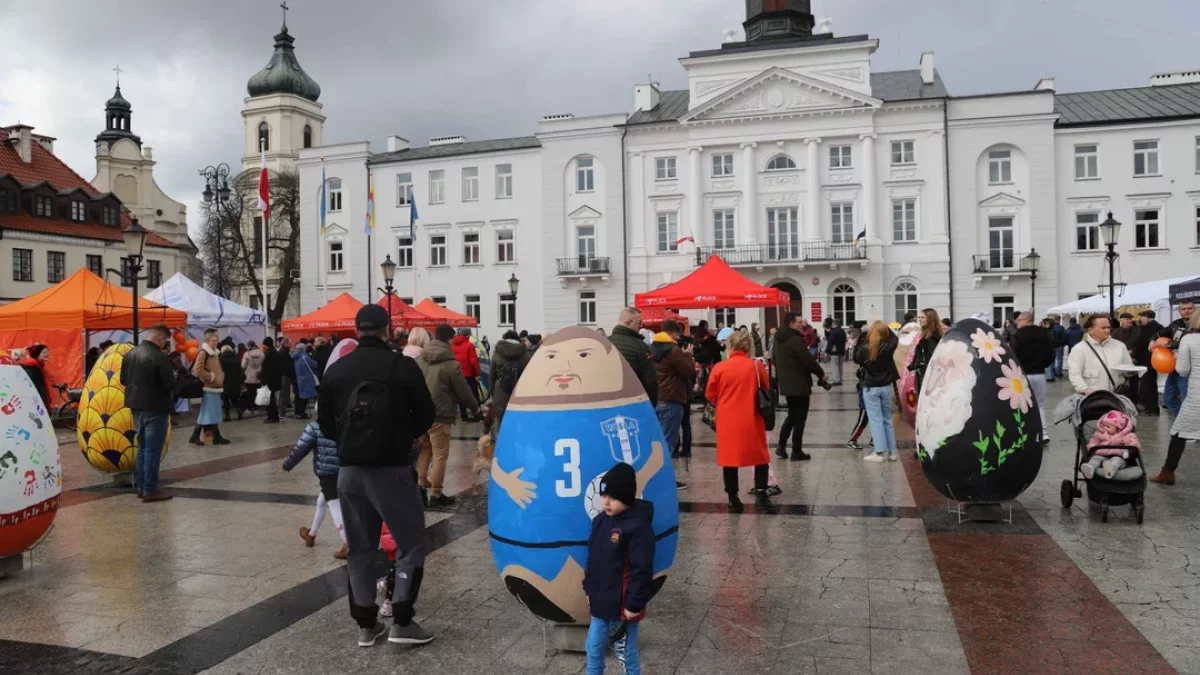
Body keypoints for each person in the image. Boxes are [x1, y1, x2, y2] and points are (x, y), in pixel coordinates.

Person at [318, 304, 436, 647]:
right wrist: (403, 437)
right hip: (392, 469)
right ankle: (402, 621)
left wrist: (350, 442)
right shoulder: (402, 366)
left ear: (357, 331)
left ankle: (366, 626)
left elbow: (325, 423)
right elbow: (425, 414)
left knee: (360, 547)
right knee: (410, 543)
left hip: (349, 472)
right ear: (387, 331)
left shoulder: (337, 370)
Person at [583, 462, 654, 675]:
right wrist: (589, 588)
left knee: (625, 653)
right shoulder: (600, 521)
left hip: (623, 608)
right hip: (600, 603)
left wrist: (634, 604)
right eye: (603, 496)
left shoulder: (638, 527)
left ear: (626, 497)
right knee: (593, 648)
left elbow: (642, 570)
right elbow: (593, 559)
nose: (605, 502)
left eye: (612, 497)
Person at [705, 330, 776, 513]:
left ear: (730, 346)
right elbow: (766, 386)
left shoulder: (719, 368)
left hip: (727, 420)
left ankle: (733, 499)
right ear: (748, 346)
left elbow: (710, 394)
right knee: (760, 457)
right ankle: (761, 496)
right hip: (752, 418)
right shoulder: (756, 366)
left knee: (729, 459)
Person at [417, 324, 481, 507]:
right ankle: (436, 494)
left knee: (425, 449)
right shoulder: (451, 364)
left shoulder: (420, 359)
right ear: (450, 339)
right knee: (440, 455)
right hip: (441, 414)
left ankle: (420, 486)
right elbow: (463, 391)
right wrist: (475, 409)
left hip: (421, 413)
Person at [120, 325, 177, 502]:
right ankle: (150, 490)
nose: (165, 344)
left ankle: (141, 487)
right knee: (152, 450)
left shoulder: (130, 354)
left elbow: (123, 379)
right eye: (165, 340)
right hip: (156, 406)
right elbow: (169, 384)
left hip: (135, 406)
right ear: (161, 338)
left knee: (143, 448)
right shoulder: (161, 357)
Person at [284, 417, 347, 559]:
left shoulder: (315, 426)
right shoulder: (344, 420)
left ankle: (347, 542)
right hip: (345, 469)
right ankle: (311, 535)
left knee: (334, 504)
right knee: (322, 501)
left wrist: (288, 464)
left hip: (327, 472)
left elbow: (301, 448)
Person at [1150, 309, 1200, 485]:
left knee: (1178, 432)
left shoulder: (1190, 339)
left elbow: (1182, 370)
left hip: (1196, 396)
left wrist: (1177, 357)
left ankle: (1167, 473)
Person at [772, 312, 827, 461]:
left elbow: (774, 358)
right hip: (799, 384)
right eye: (798, 322)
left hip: (787, 383)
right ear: (791, 324)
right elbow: (808, 360)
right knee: (800, 418)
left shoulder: (778, 339)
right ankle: (796, 451)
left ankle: (781, 446)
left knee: (792, 415)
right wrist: (821, 374)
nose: (801, 324)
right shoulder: (795, 340)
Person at [650, 319, 693, 490]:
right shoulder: (673, 350)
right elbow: (688, 371)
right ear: (674, 333)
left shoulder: (653, 348)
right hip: (672, 399)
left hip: (657, 398)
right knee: (668, 442)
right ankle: (664, 481)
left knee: (659, 441)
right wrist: (688, 355)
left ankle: (657, 477)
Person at [855, 321, 900, 462]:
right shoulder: (889, 347)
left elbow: (856, 356)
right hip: (885, 386)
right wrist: (885, 330)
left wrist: (864, 338)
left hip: (871, 387)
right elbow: (894, 338)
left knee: (876, 420)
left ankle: (879, 452)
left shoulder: (867, 347)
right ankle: (892, 452)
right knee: (887, 419)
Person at [1010, 312, 1055, 438]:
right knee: (1039, 404)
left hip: (1022, 374)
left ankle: (1024, 431)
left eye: (1019, 320)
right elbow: (1051, 354)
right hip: (1039, 373)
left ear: (1026, 320)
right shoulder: (1044, 334)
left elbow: (1012, 355)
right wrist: (1043, 364)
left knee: (1022, 403)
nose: (1017, 322)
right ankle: (1043, 432)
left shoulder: (1017, 336)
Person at [1067, 315, 1133, 395]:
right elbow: (1074, 375)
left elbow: (1128, 368)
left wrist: (1131, 371)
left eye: (1108, 327)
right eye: (1103, 328)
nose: (1107, 330)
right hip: (1093, 398)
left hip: (1117, 397)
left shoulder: (1120, 346)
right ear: (1091, 330)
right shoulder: (1079, 349)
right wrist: (1085, 389)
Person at [610, 308, 658, 406]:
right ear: (628, 323)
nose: (641, 326)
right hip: (633, 402)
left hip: (609, 401)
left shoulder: (606, 343)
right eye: (639, 323)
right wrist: (651, 404)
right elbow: (650, 380)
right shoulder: (640, 346)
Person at [1157, 300, 1195, 418]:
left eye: (1189, 308)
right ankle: (1182, 421)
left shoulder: (1197, 325)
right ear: (1179, 311)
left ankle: (1189, 424)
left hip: (1191, 369)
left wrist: (1170, 344)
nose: (1186, 311)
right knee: (1169, 398)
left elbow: (1191, 342)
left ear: (1194, 309)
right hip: (1175, 367)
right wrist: (1153, 340)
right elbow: (1160, 333)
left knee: (1187, 399)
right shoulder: (1175, 324)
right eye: (1183, 309)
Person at [192, 329, 231, 446]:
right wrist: (211, 377)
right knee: (208, 412)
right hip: (209, 387)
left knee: (211, 412)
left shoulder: (214, 353)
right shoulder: (204, 352)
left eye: (217, 340)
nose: (216, 342)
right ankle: (208, 436)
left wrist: (220, 376)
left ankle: (204, 436)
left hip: (215, 387)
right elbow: (198, 370)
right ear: (207, 340)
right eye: (214, 340)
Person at [490, 329, 531, 431]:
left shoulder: (497, 352)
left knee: (500, 422)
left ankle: (501, 439)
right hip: (520, 391)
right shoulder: (524, 352)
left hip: (500, 390)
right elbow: (529, 373)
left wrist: (492, 392)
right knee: (519, 422)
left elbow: (492, 374)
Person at [1135, 310, 1165, 415]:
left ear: (1148, 317)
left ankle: (1150, 409)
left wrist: (1134, 354)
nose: (1141, 319)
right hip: (1154, 360)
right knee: (1151, 384)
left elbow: (1141, 344)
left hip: (1146, 360)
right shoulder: (1160, 327)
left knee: (1147, 385)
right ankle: (1153, 409)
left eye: (1142, 317)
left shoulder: (1149, 328)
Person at [908, 308, 944, 397]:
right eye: (919, 317)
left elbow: (934, 358)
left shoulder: (931, 337)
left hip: (928, 376)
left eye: (922, 317)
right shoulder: (930, 334)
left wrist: (922, 369)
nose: (919, 319)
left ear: (930, 319)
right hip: (928, 375)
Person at [451, 328, 482, 421]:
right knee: (474, 394)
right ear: (468, 335)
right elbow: (474, 362)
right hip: (469, 374)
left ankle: (464, 415)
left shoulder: (452, 345)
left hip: (457, 373)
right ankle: (477, 414)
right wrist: (477, 373)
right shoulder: (469, 345)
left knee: (461, 394)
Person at [291, 340, 320, 419]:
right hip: (305, 379)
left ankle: (298, 412)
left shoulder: (293, 356)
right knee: (304, 397)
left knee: (298, 396)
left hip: (296, 378)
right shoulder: (304, 357)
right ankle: (301, 412)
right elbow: (315, 365)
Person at [219, 345, 246, 422]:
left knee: (226, 400)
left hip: (225, 383)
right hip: (235, 382)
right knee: (235, 399)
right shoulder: (236, 360)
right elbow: (241, 372)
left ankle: (227, 416)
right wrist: (242, 381)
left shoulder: (220, 360)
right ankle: (240, 414)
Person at [260, 337, 283, 423]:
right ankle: (273, 416)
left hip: (269, 380)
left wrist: (263, 380)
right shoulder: (275, 353)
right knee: (271, 399)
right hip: (275, 379)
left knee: (270, 400)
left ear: (266, 345)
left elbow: (267, 370)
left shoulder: (269, 355)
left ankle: (272, 417)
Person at [824, 319, 847, 385]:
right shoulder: (842, 331)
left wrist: (827, 352)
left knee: (834, 366)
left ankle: (837, 380)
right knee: (840, 366)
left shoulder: (833, 332)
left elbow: (830, 342)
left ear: (833, 324)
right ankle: (840, 378)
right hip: (842, 351)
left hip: (834, 352)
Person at [278, 337, 296, 417]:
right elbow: (287, 365)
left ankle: (284, 410)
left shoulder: (284, 351)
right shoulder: (284, 352)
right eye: (289, 343)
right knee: (283, 393)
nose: (291, 344)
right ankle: (282, 413)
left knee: (285, 393)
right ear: (285, 343)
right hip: (285, 375)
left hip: (285, 375)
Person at [1048, 317, 1068, 381]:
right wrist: (1063, 344)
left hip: (1051, 346)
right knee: (1059, 359)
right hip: (1059, 346)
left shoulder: (1050, 327)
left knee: (1052, 360)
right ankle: (1058, 373)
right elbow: (1064, 337)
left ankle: (1052, 373)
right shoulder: (1061, 328)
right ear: (1059, 320)